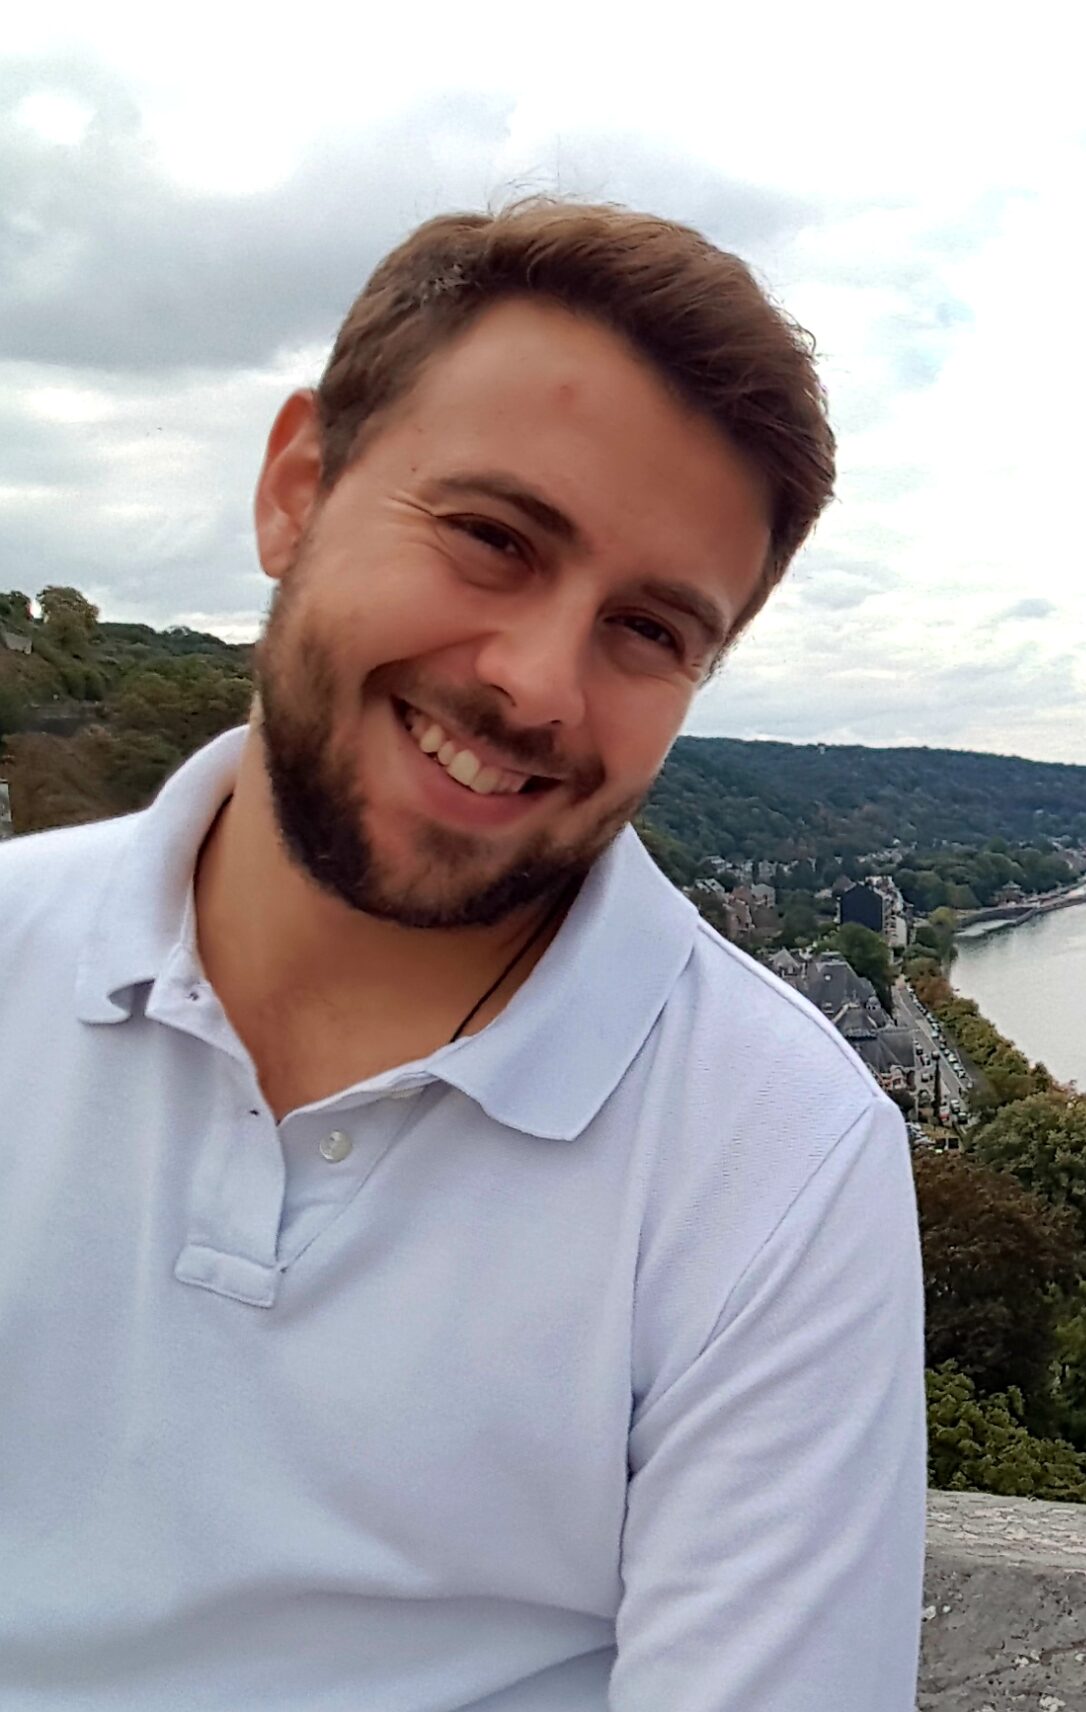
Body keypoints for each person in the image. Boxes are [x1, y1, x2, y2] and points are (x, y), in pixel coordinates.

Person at [0, 203, 927, 1709]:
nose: (537, 685)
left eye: (649, 630)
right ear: (297, 490)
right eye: (495, 538)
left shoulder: (779, 1159)